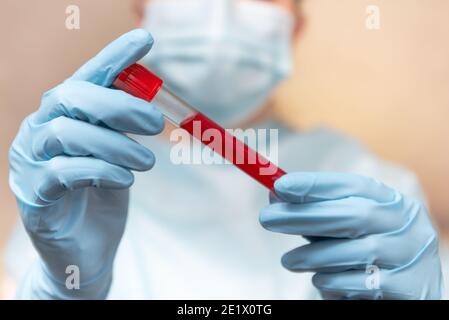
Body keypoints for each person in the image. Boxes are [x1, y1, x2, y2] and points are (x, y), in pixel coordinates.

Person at [6, 0, 444, 299]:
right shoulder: (78, 188)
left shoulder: (377, 192)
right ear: (145, 10)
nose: (220, 14)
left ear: (294, 27)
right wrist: (63, 288)